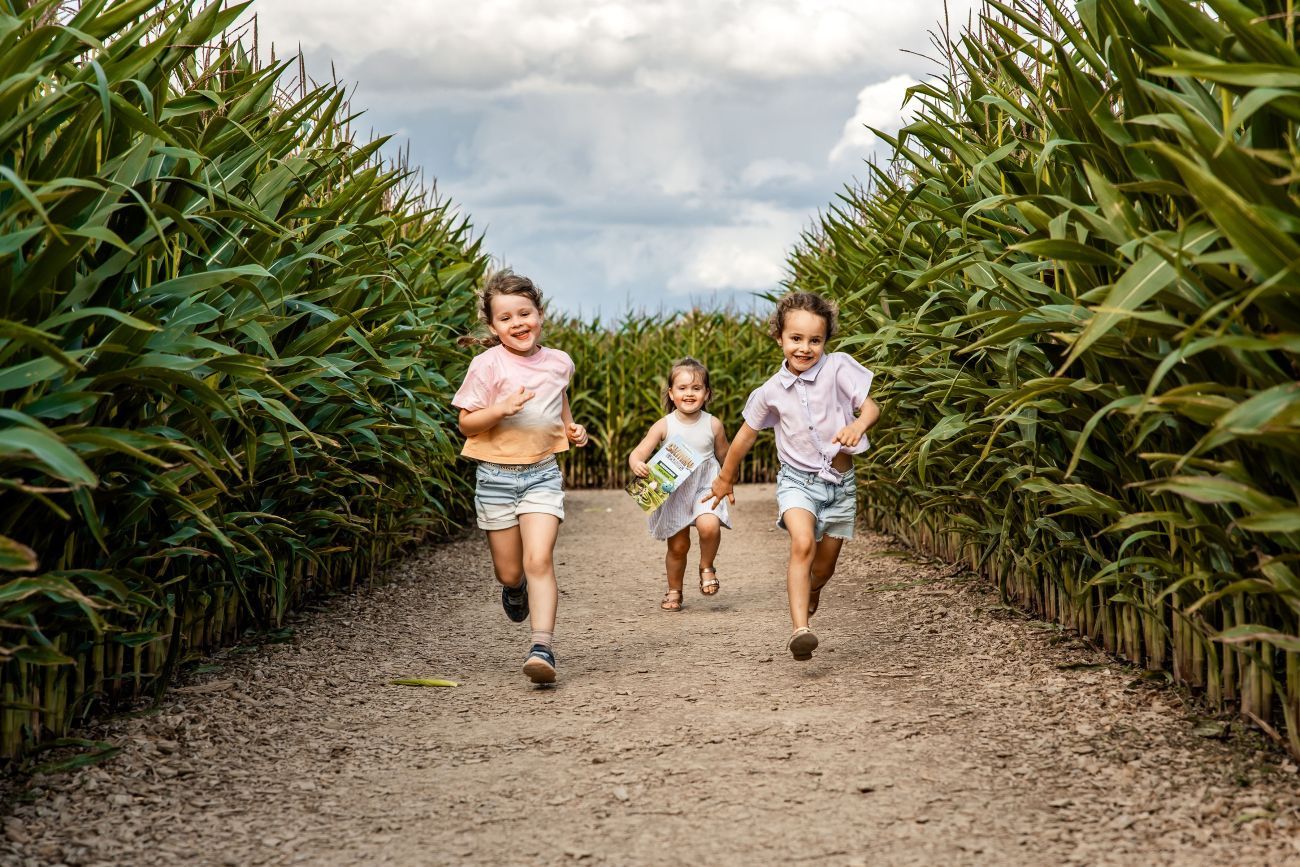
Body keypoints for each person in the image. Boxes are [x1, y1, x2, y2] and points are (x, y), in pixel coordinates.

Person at [703, 292, 879, 661]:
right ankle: (801, 630)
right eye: (796, 339)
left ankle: (813, 591)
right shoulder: (770, 392)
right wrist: (725, 478)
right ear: (779, 338)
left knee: (825, 567)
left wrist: (859, 425)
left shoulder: (838, 368)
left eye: (815, 340)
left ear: (826, 341)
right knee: (802, 544)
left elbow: (871, 407)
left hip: (841, 487)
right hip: (797, 483)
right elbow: (744, 437)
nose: (805, 348)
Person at [452, 270, 588, 684]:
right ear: (493, 327)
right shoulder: (486, 365)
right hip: (494, 477)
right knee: (511, 572)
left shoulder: (559, 361)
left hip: (542, 474)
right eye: (506, 318)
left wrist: (570, 427)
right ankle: (514, 591)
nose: (518, 323)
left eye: (524, 313)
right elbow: (466, 424)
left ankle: (542, 647)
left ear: (540, 314)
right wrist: (500, 410)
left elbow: (558, 398)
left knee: (538, 559)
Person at [628, 358, 731, 611]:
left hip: (705, 484)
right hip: (673, 489)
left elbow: (726, 456)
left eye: (696, 388)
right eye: (682, 388)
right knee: (678, 546)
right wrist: (637, 464)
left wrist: (728, 482)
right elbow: (638, 453)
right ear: (671, 394)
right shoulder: (664, 424)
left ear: (707, 394)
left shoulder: (713, 424)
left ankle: (706, 566)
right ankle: (675, 590)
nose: (689, 393)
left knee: (709, 526)